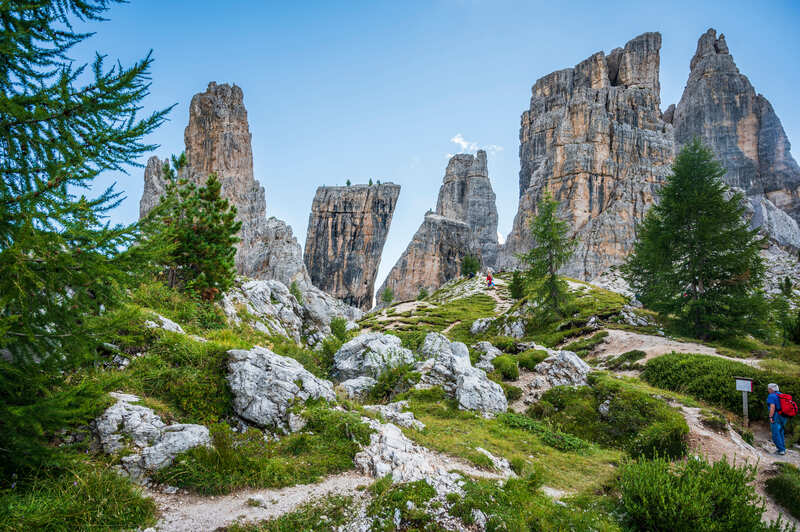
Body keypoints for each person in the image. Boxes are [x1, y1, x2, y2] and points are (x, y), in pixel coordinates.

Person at [767, 383, 787, 455]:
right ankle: (783, 448)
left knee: (775, 433)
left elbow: (772, 407)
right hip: (784, 416)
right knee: (781, 432)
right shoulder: (781, 395)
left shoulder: (772, 396)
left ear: (771, 389)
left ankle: (781, 450)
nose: (768, 390)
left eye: (768, 389)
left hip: (776, 415)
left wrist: (770, 417)